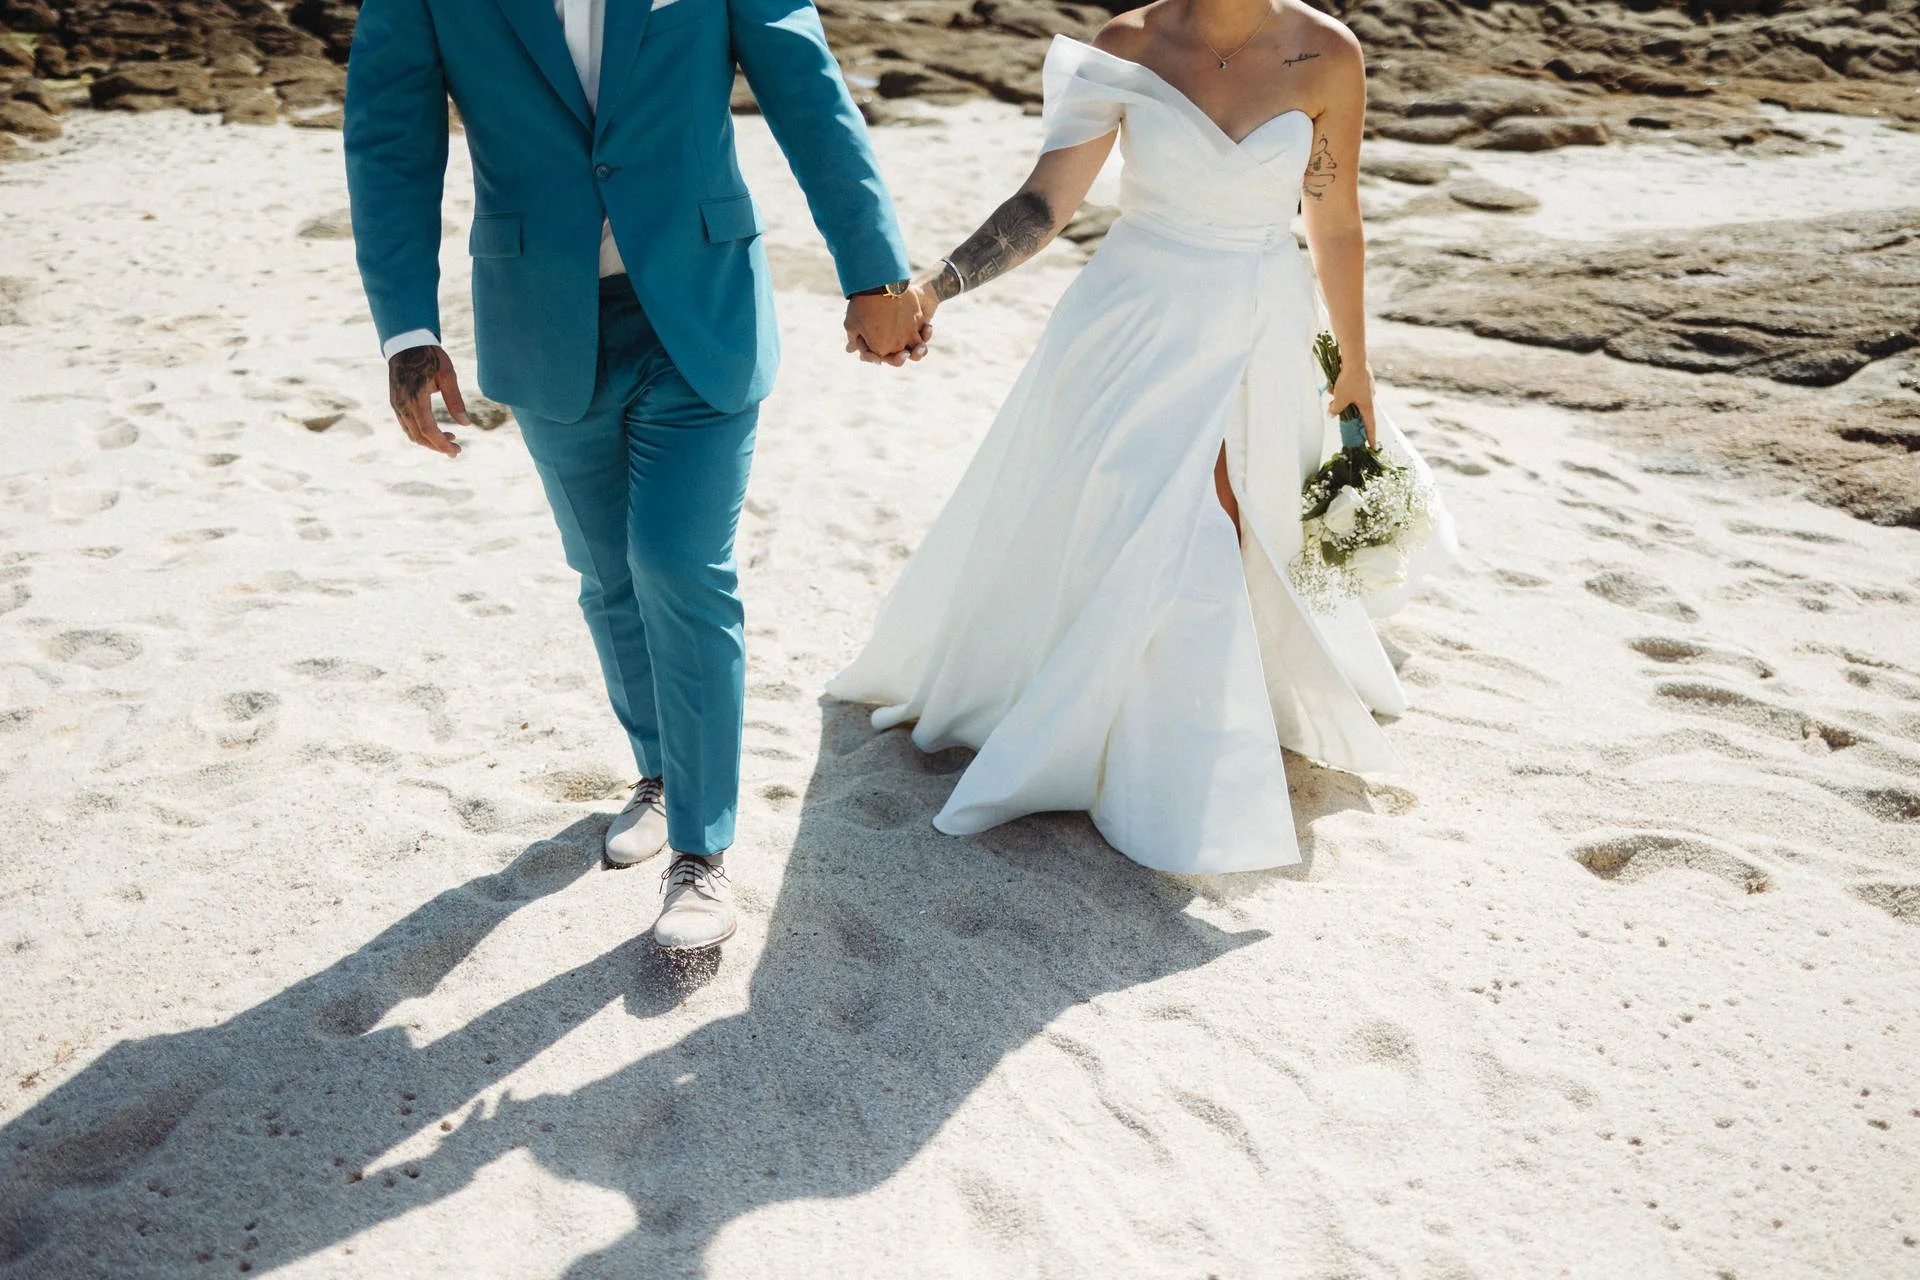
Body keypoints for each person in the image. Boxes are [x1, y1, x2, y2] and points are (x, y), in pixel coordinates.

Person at [343, 0, 929, 949]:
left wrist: (873, 271)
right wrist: (409, 330)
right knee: (608, 573)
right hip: (543, 319)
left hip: (701, 308)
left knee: (678, 565)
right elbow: (389, 140)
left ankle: (702, 854)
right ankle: (659, 771)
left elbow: (810, 98)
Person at [827, 0, 1458, 873]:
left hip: (1262, 322)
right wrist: (933, 289)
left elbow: (1336, 218)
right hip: (1133, 319)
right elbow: (1045, 203)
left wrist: (1354, 364)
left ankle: (1191, 721)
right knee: (1150, 516)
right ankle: (1140, 741)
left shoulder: (1327, 53)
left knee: (1238, 524)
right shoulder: (1128, 45)